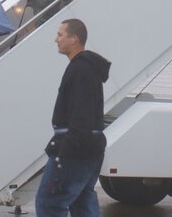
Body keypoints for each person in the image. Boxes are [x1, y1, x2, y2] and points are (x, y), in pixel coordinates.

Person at [36, 18, 110, 217]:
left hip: (75, 151)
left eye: (60, 35)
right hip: (90, 147)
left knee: (49, 204)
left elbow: (81, 116)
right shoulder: (87, 68)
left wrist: (64, 153)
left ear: (74, 39)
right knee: (82, 202)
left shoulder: (80, 69)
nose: (56, 39)